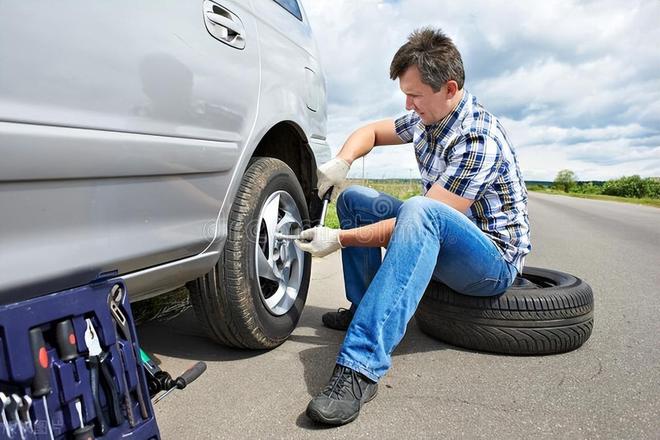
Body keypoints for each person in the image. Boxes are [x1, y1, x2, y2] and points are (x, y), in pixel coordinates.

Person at [295, 27, 531, 426]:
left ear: (449, 88)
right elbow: (369, 131)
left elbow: (425, 218)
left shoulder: (477, 137)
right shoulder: (426, 119)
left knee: (421, 210)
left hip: (490, 262)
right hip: (442, 235)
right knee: (353, 199)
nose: (408, 104)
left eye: (415, 95)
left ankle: (360, 367)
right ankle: (363, 307)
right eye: (406, 94)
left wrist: (339, 238)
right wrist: (343, 162)